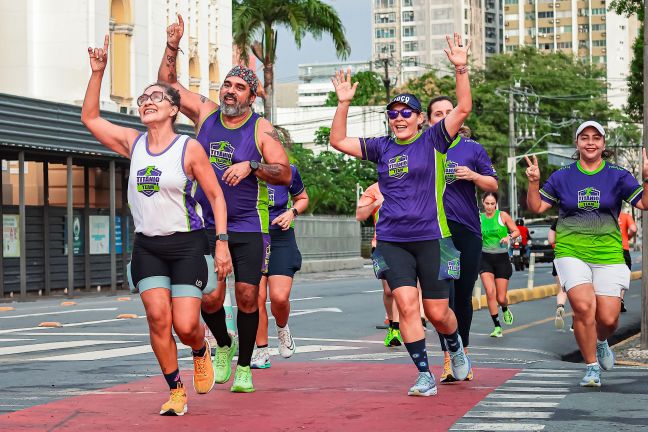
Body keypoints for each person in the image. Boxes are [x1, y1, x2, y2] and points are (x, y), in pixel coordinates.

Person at [82, 36, 232, 415]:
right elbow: (90, 118)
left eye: (156, 98)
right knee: (157, 318)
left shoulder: (189, 149)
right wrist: (98, 73)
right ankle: (175, 389)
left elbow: (216, 196)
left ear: (173, 110)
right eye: (143, 99)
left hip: (185, 246)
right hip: (147, 246)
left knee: (185, 324)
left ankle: (201, 350)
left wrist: (222, 242)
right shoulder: (133, 144)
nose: (147, 102)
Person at [330, 33, 472, 397]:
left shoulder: (435, 140)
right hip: (393, 239)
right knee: (406, 305)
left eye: (406, 112)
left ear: (420, 118)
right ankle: (424, 373)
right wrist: (343, 103)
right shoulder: (381, 147)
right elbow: (338, 141)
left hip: (433, 238)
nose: (399, 118)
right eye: (392, 113)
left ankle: (453, 344)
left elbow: (464, 108)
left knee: (438, 313)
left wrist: (460, 67)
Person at [159, 15, 291, 393]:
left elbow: (283, 172)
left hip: (248, 223)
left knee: (249, 296)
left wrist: (252, 166)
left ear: (251, 96)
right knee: (210, 296)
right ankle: (224, 345)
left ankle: (245, 365)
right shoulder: (205, 113)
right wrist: (173, 46)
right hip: (203, 223)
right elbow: (168, 85)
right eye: (226, 85)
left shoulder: (260, 128)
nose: (230, 91)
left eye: (238, 87)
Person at [526, 120, 648, 387]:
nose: (590, 142)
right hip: (571, 250)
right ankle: (591, 366)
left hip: (608, 252)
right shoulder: (562, 176)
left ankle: (601, 341)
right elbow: (536, 207)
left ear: (603, 144)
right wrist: (534, 182)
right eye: (584, 137)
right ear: (577, 143)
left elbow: (644, 203)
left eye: (596, 137)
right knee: (583, 307)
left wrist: (647, 177)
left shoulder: (618, 175)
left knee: (608, 319)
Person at [426, 96, 498, 383]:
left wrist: (473, 175)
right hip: (436, 233)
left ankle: (463, 356)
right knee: (443, 299)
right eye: (437, 114)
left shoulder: (472, 149)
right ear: (428, 120)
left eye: (448, 112)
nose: (443, 118)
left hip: (467, 231)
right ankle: (448, 359)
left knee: (463, 295)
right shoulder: (425, 148)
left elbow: (493, 184)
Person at [251, 164, 309, 369]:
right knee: (255, 298)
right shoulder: (244, 170)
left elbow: (302, 199)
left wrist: (292, 212)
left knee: (279, 297)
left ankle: (282, 327)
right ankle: (261, 351)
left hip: (281, 238)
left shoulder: (288, 170)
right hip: (253, 237)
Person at [356, 182, 403, 347]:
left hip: (402, 244)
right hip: (381, 244)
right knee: (388, 291)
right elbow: (359, 215)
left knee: (397, 288)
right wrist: (377, 203)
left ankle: (396, 329)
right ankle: (391, 325)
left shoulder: (405, 184)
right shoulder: (373, 189)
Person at [479, 192, 520, 338]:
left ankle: (504, 308)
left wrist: (508, 236)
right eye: (487, 203)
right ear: (483, 203)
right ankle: (497, 326)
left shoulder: (502, 216)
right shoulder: (479, 218)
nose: (489, 206)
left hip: (502, 259)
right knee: (490, 292)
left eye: (492, 204)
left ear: (496, 204)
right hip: (484, 258)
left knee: (501, 298)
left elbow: (516, 231)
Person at [549, 219, 569, 330]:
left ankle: (560, 306)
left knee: (561, 289)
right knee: (577, 293)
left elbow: (551, 240)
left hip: (559, 257)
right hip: (576, 259)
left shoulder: (557, 221)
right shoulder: (581, 219)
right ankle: (575, 323)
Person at [618, 207, 637, 312]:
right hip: (623, 249)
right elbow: (634, 229)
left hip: (608, 250)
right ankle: (620, 299)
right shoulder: (625, 216)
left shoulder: (606, 216)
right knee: (624, 275)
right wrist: (628, 237)